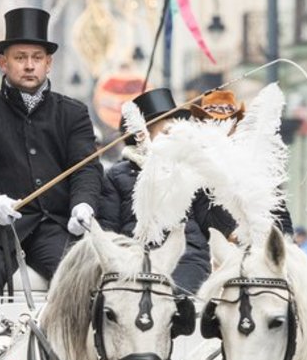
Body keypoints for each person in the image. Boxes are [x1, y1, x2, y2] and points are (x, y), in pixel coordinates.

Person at [0, 7, 102, 320]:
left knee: (82, 272)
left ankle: (80, 357)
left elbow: (86, 169)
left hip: (55, 227)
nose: (29, 65)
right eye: (20, 57)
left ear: (49, 63)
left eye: (37, 57)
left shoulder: (73, 113)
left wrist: (83, 205)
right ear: (3, 63)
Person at [99, 86, 238, 294]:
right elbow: (108, 230)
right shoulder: (117, 176)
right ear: (141, 135)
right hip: (135, 260)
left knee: (177, 297)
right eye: (166, 132)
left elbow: (218, 223)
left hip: (187, 258)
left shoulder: (192, 171)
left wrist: (220, 182)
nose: (174, 137)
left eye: (176, 131)